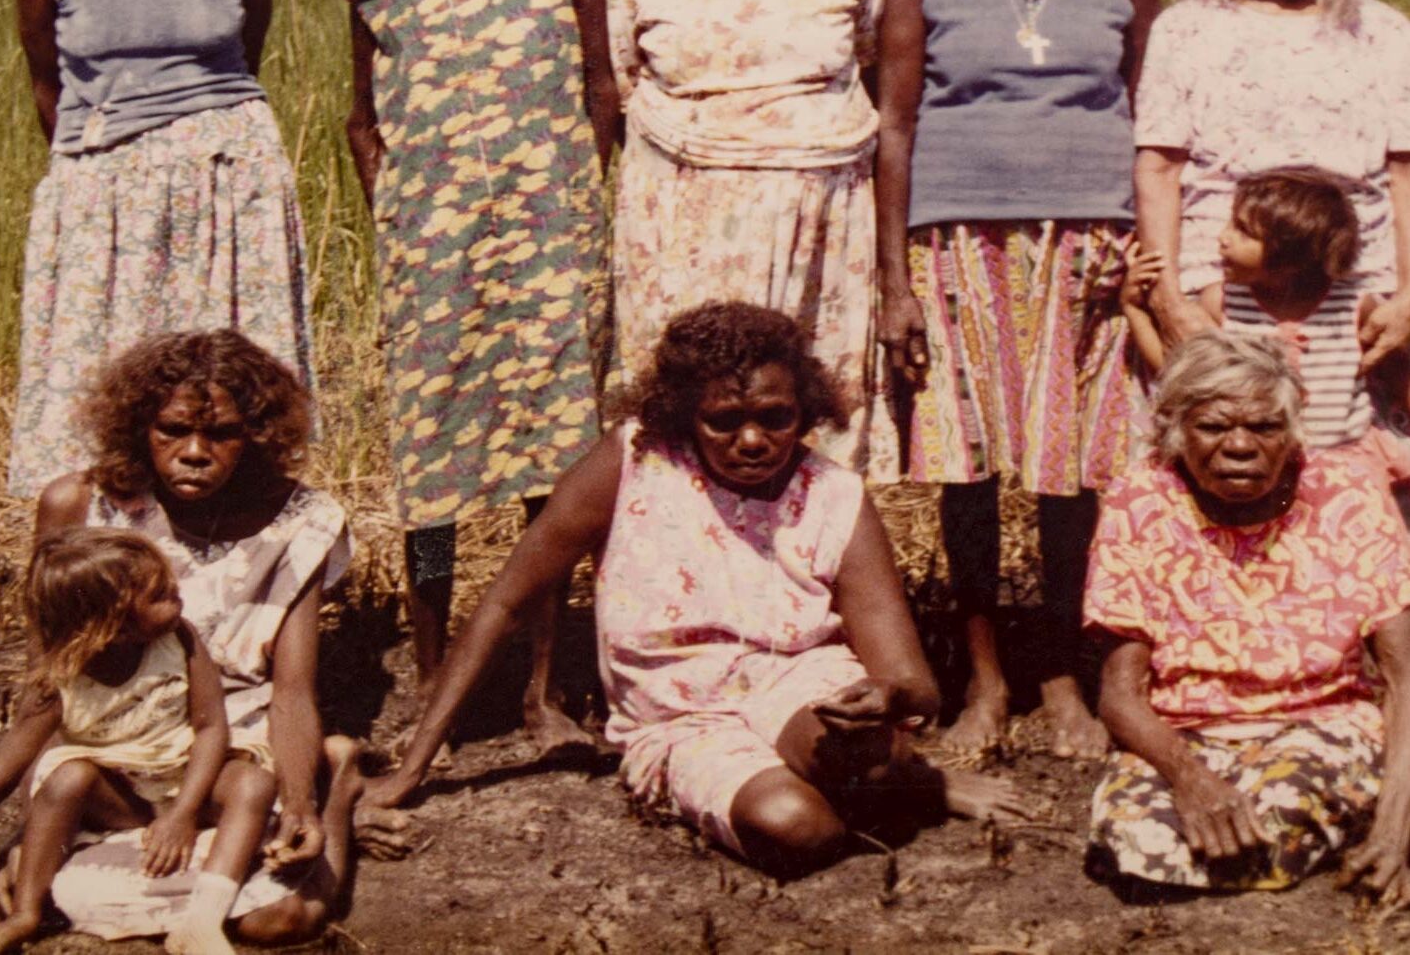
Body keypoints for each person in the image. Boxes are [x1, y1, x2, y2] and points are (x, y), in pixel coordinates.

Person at [362, 302, 1028, 875]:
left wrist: (886, 697)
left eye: (775, 417)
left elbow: (914, 683)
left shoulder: (833, 496)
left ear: (806, 410)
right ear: (683, 414)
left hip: (796, 680)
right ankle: (874, 788)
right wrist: (413, 765)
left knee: (867, 755)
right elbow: (506, 600)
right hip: (679, 714)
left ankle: (900, 779)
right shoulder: (634, 462)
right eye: (723, 421)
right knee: (800, 827)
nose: (751, 440)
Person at [875, 0, 1161, 758]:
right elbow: (896, 123)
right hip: (959, 246)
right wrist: (894, 282)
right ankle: (986, 684)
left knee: (1069, 477)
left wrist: (1144, 250)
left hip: (1087, 247)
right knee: (966, 475)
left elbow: (1148, 116)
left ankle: (1062, 677)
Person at [340, 0, 616, 749]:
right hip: (434, 254)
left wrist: (577, 204)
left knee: (555, 451)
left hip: (549, 239)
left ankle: (545, 689)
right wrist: (405, 227)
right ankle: (430, 678)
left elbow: (599, 86)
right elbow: (361, 124)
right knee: (432, 464)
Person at [8, 0, 313, 497]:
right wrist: (108, 179)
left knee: (227, 387)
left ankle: (239, 571)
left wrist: (197, 144)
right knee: (107, 394)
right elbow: (49, 82)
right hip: (103, 191)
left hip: (228, 183)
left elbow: (247, 50)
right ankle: (106, 584)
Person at [605, 0, 891, 477]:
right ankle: (681, 571)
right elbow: (618, 81)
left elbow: (877, 62)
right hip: (678, 209)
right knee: (693, 402)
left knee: (804, 399)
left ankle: (805, 572)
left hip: (820, 207)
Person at [31, 329, 366, 945]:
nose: (193, 452)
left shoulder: (302, 523)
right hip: (117, 750)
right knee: (54, 896)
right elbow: (49, 683)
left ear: (257, 437)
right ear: (138, 427)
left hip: (235, 755)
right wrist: (29, 836)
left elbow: (292, 690)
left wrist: (301, 805)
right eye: (172, 430)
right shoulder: (79, 506)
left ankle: (338, 782)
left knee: (283, 921)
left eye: (221, 435)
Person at [1086, 331, 1410, 900]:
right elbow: (1120, 694)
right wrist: (1189, 777)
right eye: (1213, 427)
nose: (1240, 446)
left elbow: (1406, 677)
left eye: (1264, 427)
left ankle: (1339, 816)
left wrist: (1397, 828)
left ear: (1293, 429)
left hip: (1321, 721)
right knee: (1138, 836)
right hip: (1184, 729)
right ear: (1175, 432)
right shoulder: (1141, 500)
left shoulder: (1348, 491)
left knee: (1274, 826)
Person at [1135, 0, 1410, 374]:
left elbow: (1406, 173)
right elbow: (1160, 168)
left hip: (1357, 290)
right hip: (1219, 283)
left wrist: (1408, 299)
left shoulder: (1386, 33)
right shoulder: (1188, 28)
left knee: (1358, 444)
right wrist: (1169, 299)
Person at [0, 531, 276, 955]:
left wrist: (184, 813)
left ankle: (202, 921)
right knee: (65, 778)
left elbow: (211, 728)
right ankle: (26, 913)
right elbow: (7, 767)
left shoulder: (180, 638)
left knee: (253, 784)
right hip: (121, 798)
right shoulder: (61, 675)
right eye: (161, 596)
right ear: (112, 624)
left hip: (188, 779)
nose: (179, 598)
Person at [1124, 168, 1410, 460]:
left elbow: (1398, 373)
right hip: (1253, 465)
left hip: (1343, 464)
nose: (1223, 238)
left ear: (1290, 255)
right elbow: (1178, 371)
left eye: (1242, 231)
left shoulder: (1353, 305)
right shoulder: (1224, 302)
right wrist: (1134, 310)